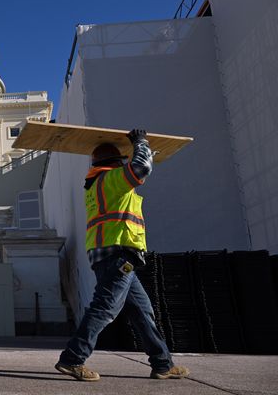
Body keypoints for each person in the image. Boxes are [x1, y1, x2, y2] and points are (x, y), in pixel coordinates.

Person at [55, 129, 189, 382]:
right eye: (121, 163)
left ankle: (162, 363)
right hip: (119, 254)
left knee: (142, 312)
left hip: (112, 254)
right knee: (105, 308)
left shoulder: (96, 184)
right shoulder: (111, 180)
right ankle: (73, 358)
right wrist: (141, 143)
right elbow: (141, 169)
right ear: (115, 164)